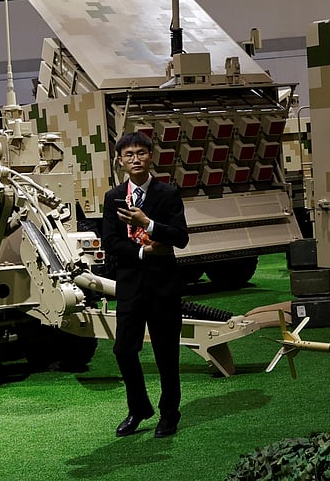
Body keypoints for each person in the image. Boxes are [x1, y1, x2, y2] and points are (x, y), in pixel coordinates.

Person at [102, 131, 189, 438]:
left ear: (151, 156)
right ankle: (139, 408)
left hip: (164, 287)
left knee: (167, 355)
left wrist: (147, 224)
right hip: (129, 287)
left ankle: (170, 414)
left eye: (141, 153)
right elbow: (109, 242)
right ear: (120, 161)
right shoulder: (113, 197)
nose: (135, 159)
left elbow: (181, 237)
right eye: (129, 155)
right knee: (124, 350)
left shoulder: (167, 194)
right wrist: (141, 250)